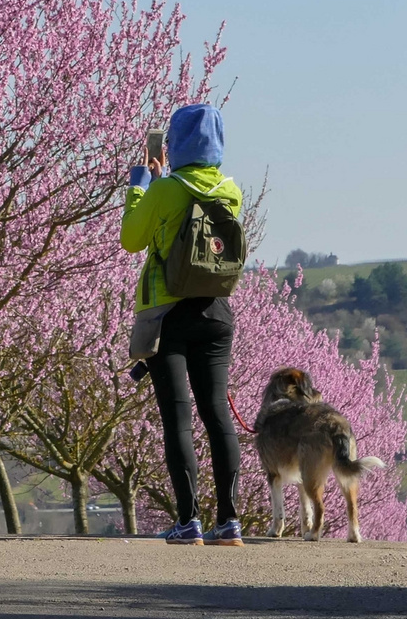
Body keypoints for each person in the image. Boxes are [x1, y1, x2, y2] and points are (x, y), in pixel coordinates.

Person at [121, 103, 244, 545]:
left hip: (168, 316)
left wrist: (141, 186)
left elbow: (131, 239)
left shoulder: (166, 189)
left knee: (178, 419)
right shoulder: (231, 190)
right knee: (216, 416)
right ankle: (229, 521)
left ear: (174, 145)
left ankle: (188, 520)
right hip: (216, 313)